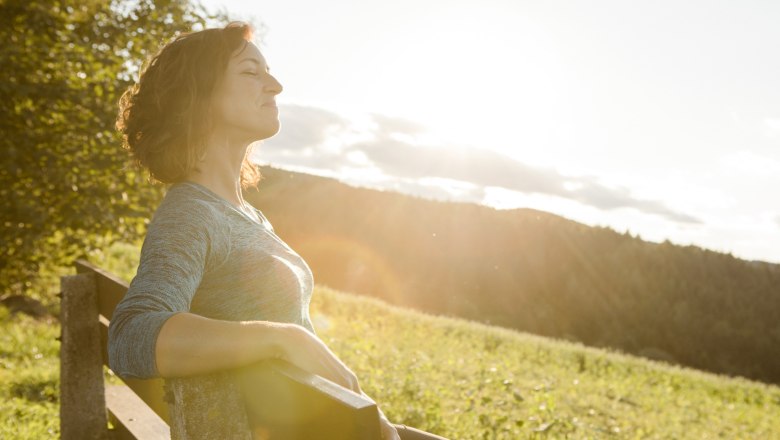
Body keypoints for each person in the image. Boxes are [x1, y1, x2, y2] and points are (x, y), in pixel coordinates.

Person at [108, 22, 445, 440]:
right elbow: (130, 335)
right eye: (252, 72)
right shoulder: (191, 215)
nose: (276, 85)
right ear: (197, 94)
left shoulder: (244, 213)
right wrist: (281, 339)